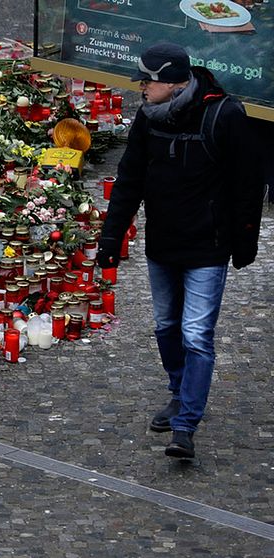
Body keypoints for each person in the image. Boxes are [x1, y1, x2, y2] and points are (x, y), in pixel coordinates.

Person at [96, 43, 265, 459]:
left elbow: (248, 186)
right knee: (167, 327)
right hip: (163, 245)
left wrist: (242, 244)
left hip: (207, 247)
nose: (141, 87)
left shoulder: (224, 115)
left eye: (148, 80)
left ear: (173, 83)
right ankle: (177, 392)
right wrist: (110, 240)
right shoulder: (148, 118)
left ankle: (186, 424)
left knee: (196, 335)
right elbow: (129, 180)